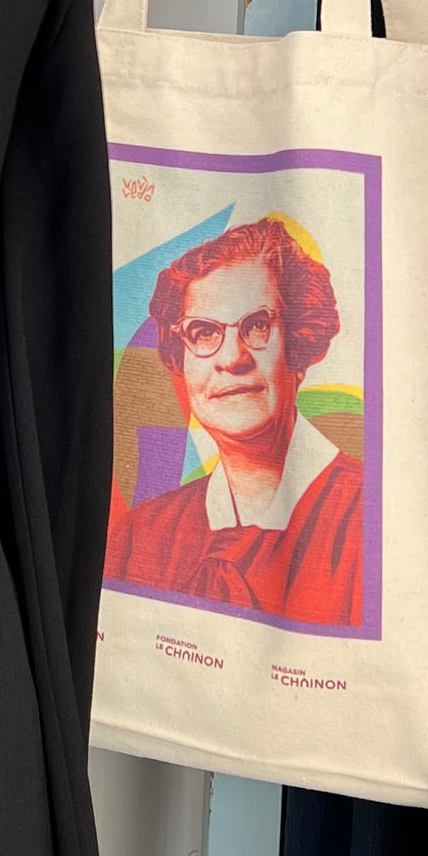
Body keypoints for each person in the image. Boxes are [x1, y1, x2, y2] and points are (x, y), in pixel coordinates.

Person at [106, 217, 363, 626]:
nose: (232, 358)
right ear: (181, 361)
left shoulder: (370, 520)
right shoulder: (139, 537)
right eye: (203, 333)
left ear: (299, 345)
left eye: (257, 325)